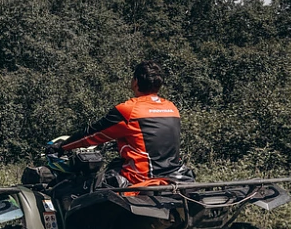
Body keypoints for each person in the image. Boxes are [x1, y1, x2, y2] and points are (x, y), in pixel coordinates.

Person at [52, 60, 193, 187]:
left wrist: (63, 146)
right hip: (173, 175)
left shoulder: (129, 110)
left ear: (136, 82)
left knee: (89, 189)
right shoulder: (172, 108)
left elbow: (92, 134)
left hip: (141, 179)